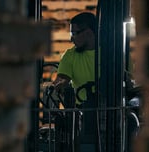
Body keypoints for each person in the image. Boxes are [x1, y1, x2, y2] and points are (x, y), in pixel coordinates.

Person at [51, 12, 98, 152]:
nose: (72, 39)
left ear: (89, 32)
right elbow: (61, 80)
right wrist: (57, 88)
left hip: (111, 115)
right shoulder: (70, 56)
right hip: (82, 116)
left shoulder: (114, 54)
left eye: (75, 33)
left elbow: (128, 82)